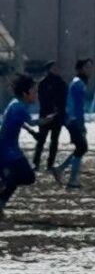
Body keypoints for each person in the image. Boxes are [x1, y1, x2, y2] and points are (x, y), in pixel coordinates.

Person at [0, 75, 42, 222]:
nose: (36, 95)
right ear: (25, 93)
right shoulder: (19, 107)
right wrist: (50, 120)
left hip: (8, 149)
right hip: (8, 151)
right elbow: (32, 121)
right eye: (34, 92)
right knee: (27, 177)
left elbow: (20, 123)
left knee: (17, 178)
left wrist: (30, 131)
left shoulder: (15, 103)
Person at [53, 59, 92, 190]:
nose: (89, 70)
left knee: (81, 148)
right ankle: (72, 179)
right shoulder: (78, 84)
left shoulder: (79, 83)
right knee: (81, 148)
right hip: (73, 121)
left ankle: (61, 170)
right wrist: (77, 123)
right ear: (80, 69)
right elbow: (74, 107)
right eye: (87, 67)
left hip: (73, 120)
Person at [32, 61, 67, 174]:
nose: (56, 69)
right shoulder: (43, 83)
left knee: (54, 141)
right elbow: (42, 99)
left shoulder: (61, 83)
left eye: (57, 67)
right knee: (41, 140)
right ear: (48, 69)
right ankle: (36, 163)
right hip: (45, 116)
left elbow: (64, 100)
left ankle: (50, 164)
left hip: (57, 117)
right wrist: (49, 112)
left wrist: (58, 112)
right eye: (54, 67)